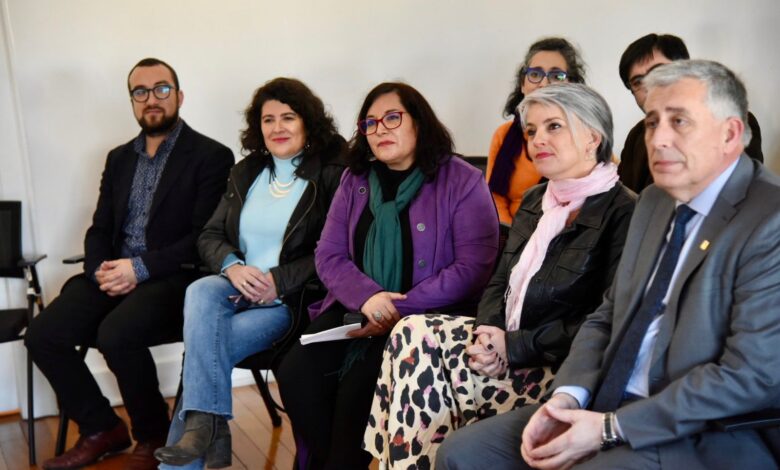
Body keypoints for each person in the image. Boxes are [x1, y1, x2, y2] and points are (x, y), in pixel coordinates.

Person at [436, 59, 780, 469]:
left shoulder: (769, 219)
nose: (658, 139)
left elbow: (750, 376)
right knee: (462, 454)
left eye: (679, 121)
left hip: (697, 431)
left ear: (730, 134)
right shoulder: (654, 201)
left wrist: (609, 428)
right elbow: (607, 316)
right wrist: (567, 398)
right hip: (602, 401)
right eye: (652, 123)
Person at [364, 83, 636, 468]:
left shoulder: (625, 211)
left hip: (560, 368)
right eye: (531, 130)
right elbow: (499, 281)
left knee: (423, 368)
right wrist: (488, 333)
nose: (537, 139)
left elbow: (606, 323)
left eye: (553, 127)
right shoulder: (535, 200)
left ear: (593, 137)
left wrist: (514, 346)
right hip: (507, 343)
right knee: (412, 332)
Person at [275, 82, 500, 469]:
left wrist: (398, 307)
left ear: (419, 122)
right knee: (295, 373)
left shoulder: (462, 180)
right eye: (370, 123)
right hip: (357, 307)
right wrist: (368, 298)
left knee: (358, 392)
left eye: (392, 118)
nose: (380, 129)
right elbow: (329, 253)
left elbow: (473, 268)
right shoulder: (356, 179)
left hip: (423, 319)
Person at [25, 58, 234, 470]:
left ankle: (152, 435)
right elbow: (100, 228)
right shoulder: (119, 158)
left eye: (161, 88)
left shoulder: (211, 155)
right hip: (114, 274)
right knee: (42, 334)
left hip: (174, 278)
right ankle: (102, 428)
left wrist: (138, 269)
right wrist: (100, 270)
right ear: (132, 100)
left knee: (116, 333)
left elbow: (202, 238)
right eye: (140, 91)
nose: (151, 98)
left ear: (179, 96)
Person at [153, 78, 347, 469]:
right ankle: (211, 430)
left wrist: (278, 280)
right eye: (268, 119)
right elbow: (210, 235)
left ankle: (198, 443)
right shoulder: (247, 172)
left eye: (288, 117)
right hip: (234, 290)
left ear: (307, 122)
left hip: (286, 302)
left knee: (205, 349)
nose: (277, 127)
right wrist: (233, 266)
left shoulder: (330, 174)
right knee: (200, 290)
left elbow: (334, 251)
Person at [617, 33, 763, 192]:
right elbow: (626, 195)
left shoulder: (727, 120)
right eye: (638, 82)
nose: (650, 85)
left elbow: (738, 191)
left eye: (660, 72)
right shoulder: (636, 135)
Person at [487, 37, 586, 225]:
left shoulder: (587, 136)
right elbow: (495, 198)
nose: (543, 84)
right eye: (535, 74)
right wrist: (513, 235)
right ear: (523, 84)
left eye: (556, 76)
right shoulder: (503, 135)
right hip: (513, 233)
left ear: (572, 86)